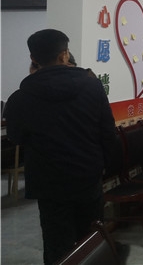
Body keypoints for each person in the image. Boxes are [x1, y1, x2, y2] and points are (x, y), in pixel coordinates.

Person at [3, 29, 117, 265]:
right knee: (91, 240)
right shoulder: (92, 87)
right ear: (64, 55)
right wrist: (107, 167)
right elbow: (108, 133)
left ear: (33, 58)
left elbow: (16, 137)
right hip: (88, 177)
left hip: (48, 184)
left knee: (57, 245)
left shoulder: (19, 98)